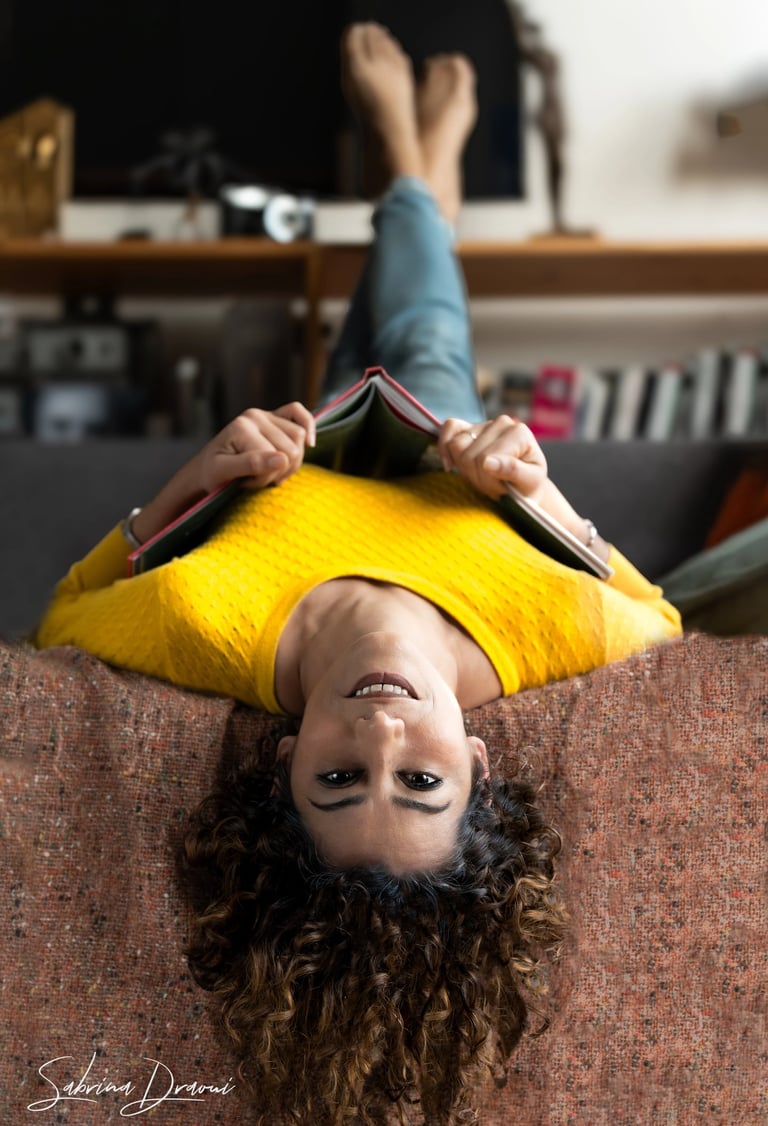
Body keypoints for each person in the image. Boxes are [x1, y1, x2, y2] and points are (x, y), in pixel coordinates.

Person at [34, 24, 681, 1124]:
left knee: (346, 345)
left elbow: (64, 620)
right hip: (434, 431)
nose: (381, 740)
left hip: (309, 432)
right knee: (427, 333)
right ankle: (409, 152)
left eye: (338, 781)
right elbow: (660, 618)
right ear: (477, 760)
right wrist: (533, 488)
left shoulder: (206, 630)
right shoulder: (543, 638)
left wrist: (201, 473)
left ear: (284, 760)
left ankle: (419, 173)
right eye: (421, 782)